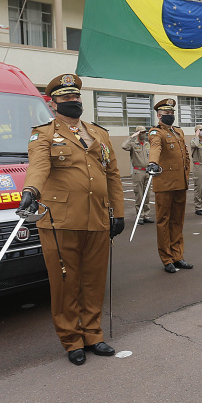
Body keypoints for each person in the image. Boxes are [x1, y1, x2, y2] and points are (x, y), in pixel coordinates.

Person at [19, 73, 125, 366]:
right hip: (60, 222)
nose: (73, 101)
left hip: (98, 218)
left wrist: (118, 212)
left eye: (76, 97)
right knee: (65, 283)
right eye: (66, 98)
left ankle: (93, 334)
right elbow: (38, 166)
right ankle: (71, 339)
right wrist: (31, 190)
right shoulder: (43, 134)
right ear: (53, 104)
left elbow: (112, 175)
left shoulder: (98, 133)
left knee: (93, 280)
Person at [147, 98, 193, 274]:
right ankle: (166, 258)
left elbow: (185, 156)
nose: (170, 116)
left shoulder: (178, 132)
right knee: (163, 221)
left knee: (177, 221)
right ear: (159, 115)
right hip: (165, 184)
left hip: (180, 183)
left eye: (172, 113)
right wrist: (152, 163)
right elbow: (155, 148)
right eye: (167, 113)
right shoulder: (155, 132)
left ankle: (177, 255)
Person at [121, 125, 154, 225]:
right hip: (138, 171)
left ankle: (146, 215)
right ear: (138, 133)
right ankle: (139, 215)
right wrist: (132, 137)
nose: (144, 134)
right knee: (139, 195)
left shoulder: (147, 144)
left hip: (147, 171)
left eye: (144, 132)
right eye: (141, 132)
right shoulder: (133, 144)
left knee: (147, 195)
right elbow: (124, 146)